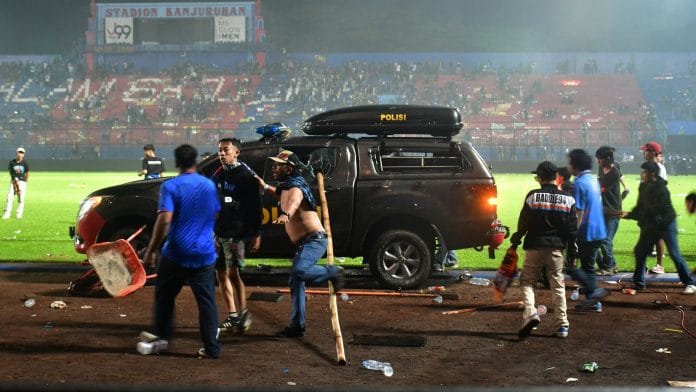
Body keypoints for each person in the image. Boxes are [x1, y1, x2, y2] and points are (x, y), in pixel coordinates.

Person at [137, 144, 222, 358]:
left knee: (164, 296)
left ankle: (162, 339)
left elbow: (164, 219)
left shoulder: (171, 186)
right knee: (207, 301)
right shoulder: (209, 185)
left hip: (177, 252)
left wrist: (150, 250)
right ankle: (212, 348)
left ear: (176, 163)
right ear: (195, 161)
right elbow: (215, 214)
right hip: (204, 252)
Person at [257, 150, 344, 338]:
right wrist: (264, 187)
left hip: (315, 239)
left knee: (299, 271)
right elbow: (280, 195)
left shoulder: (296, 187)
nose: (274, 168)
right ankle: (297, 326)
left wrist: (285, 214)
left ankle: (333, 272)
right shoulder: (286, 187)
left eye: (278, 165)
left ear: (289, 169)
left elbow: (294, 201)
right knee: (296, 281)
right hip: (306, 243)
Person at [510, 161, 577, 339]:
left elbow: (523, 223)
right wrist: (572, 252)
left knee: (527, 282)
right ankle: (562, 325)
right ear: (556, 177)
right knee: (557, 285)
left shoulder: (533, 196)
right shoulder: (568, 198)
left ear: (540, 178)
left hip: (534, 246)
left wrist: (516, 239)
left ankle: (531, 313)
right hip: (556, 249)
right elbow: (572, 230)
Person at [621, 161, 696, 295]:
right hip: (653, 224)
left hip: (666, 224)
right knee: (640, 250)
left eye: (644, 172)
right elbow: (640, 207)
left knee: (674, 254)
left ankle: (690, 283)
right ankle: (638, 283)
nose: (642, 174)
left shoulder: (662, 189)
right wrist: (628, 214)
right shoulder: (643, 186)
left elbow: (653, 212)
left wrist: (632, 215)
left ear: (653, 174)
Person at [211, 138, 262, 334]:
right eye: (219, 151)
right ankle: (233, 317)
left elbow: (255, 207)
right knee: (221, 274)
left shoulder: (245, 176)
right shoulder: (219, 173)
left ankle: (243, 313)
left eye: (226, 150)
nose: (222, 154)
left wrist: (256, 233)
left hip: (235, 233)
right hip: (220, 231)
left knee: (233, 273)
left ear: (236, 152)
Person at [566, 149, 610, 311]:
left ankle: (595, 292)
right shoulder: (592, 180)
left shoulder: (579, 183)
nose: (568, 165)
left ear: (575, 165)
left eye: (569, 162)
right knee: (588, 268)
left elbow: (579, 212)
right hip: (599, 230)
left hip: (587, 232)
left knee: (570, 266)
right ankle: (594, 302)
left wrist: (573, 236)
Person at [594, 146, 626, 275]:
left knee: (605, 239)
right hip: (603, 209)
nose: (598, 162)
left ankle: (609, 267)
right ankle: (606, 265)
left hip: (613, 210)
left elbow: (602, 189)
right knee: (597, 239)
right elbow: (598, 182)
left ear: (607, 159)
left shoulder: (614, 173)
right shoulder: (601, 168)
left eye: (600, 159)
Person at [640, 142, 666, 274]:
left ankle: (660, 265)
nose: (643, 153)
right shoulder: (649, 167)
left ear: (652, 153)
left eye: (645, 151)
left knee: (658, 237)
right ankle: (642, 266)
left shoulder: (659, 168)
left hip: (655, 209)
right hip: (647, 208)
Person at [3, 147, 29, 219]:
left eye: (22, 153)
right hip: (13, 181)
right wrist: (14, 181)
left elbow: (27, 172)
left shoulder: (25, 163)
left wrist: (25, 181)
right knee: (9, 197)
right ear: (16, 153)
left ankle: (19, 214)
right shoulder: (12, 162)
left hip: (22, 182)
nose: (20, 154)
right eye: (19, 152)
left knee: (21, 198)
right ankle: (7, 213)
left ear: (23, 154)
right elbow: (11, 172)